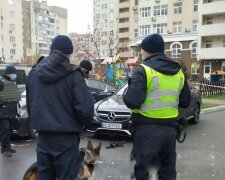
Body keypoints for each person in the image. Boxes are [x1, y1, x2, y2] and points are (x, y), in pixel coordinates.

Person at [123, 33, 191, 180]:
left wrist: (127, 91)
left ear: (148, 50)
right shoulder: (178, 71)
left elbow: (132, 101)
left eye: (142, 49)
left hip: (146, 131)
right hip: (170, 132)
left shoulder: (144, 70)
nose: (140, 52)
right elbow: (185, 101)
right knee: (167, 173)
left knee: (142, 173)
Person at [26, 35, 94, 180]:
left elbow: (31, 104)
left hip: (43, 138)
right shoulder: (74, 74)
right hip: (66, 139)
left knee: (44, 176)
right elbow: (86, 109)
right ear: (69, 53)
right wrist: (83, 125)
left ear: (51, 50)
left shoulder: (34, 73)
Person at [0, 65, 21, 157]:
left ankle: (7, 146)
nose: (14, 75)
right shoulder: (1, 82)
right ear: (8, 73)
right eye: (13, 73)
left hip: (12, 110)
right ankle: (5, 149)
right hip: (3, 111)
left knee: (10, 130)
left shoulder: (13, 82)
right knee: (5, 130)